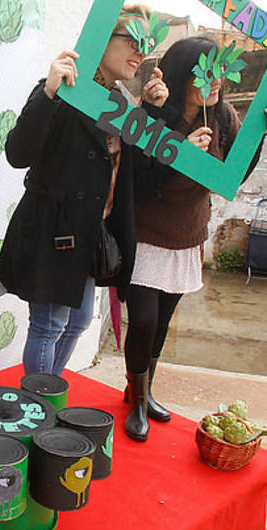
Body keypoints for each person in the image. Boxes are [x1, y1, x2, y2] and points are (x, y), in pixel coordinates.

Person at [0, 6, 153, 378]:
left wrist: (157, 113)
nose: (141, 51)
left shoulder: (120, 105)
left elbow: (139, 173)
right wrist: (49, 92)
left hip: (89, 238)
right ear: (101, 39)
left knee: (79, 321)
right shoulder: (64, 88)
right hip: (53, 233)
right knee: (49, 324)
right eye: (132, 39)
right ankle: (38, 407)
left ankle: (48, 393)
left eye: (147, 44)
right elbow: (18, 153)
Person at [123, 36, 259, 441]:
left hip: (186, 236)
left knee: (162, 321)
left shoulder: (223, 117)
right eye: (207, 72)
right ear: (184, 74)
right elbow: (141, 179)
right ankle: (136, 404)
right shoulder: (157, 113)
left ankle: (142, 391)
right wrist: (179, 143)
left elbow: (234, 177)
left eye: (221, 72)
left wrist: (260, 133)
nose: (216, 81)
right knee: (143, 320)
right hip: (148, 234)